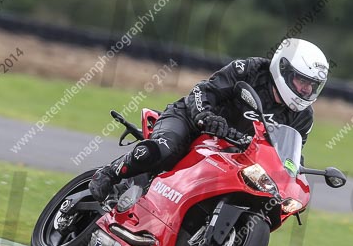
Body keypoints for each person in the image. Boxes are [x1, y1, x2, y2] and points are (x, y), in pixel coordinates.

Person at [88, 38, 329, 202]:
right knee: (163, 150)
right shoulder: (250, 70)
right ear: (284, 70)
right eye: (302, 81)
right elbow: (203, 90)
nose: (306, 90)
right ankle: (111, 173)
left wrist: (293, 174)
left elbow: (289, 153)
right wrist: (206, 116)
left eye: (312, 85)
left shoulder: (303, 116)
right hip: (192, 122)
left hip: (234, 152)